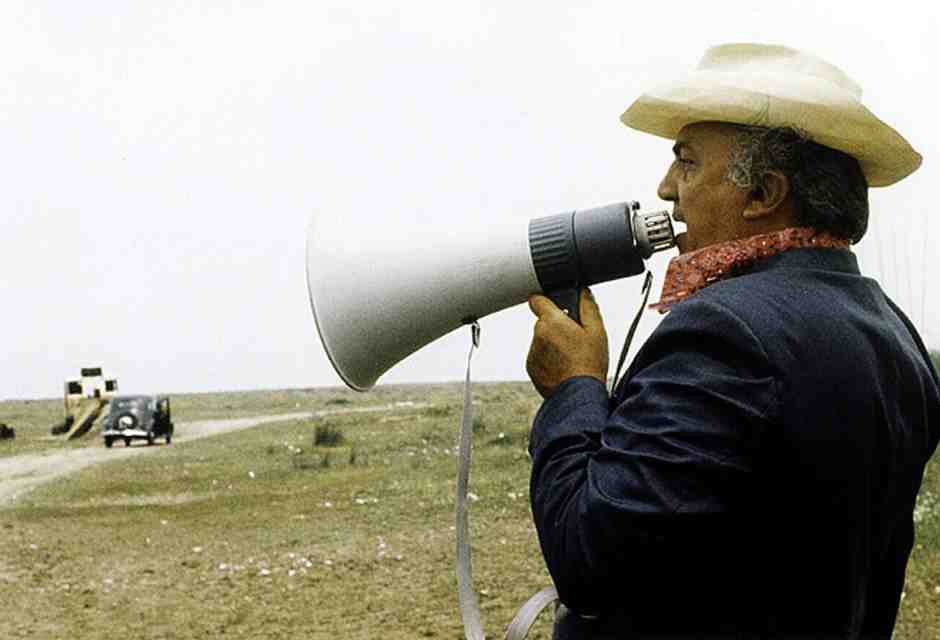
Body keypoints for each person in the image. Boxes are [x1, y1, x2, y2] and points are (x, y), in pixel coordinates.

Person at [525, 43, 940, 639]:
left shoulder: (724, 332)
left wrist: (573, 388)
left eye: (687, 163)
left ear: (762, 194)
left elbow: (588, 556)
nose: (667, 188)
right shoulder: (892, 329)